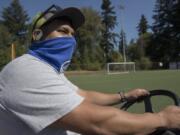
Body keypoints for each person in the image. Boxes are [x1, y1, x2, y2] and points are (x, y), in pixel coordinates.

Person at [0, 4, 180, 135]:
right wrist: (162, 119)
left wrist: (124, 96)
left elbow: (83, 96)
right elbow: (99, 124)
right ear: (37, 35)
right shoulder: (26, 70)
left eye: (72, 34)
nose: (70, 39)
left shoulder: (48, 70)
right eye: (63, 31)